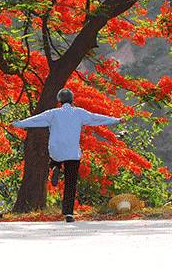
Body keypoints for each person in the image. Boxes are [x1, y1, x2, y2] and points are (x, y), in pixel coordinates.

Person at [13, 88, 121, 222]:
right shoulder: (79, 113)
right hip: (72, 153)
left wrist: (18, 124)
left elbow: (36, 120)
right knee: (71, 182)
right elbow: (96, 118)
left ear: (59, 101)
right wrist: (116, 120)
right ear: (72, 100)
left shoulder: (52, 113)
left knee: (55, 157)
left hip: (56, 151)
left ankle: (55, 167)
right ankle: (68, 213)